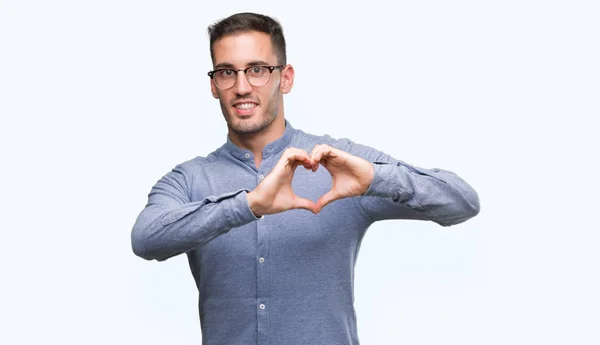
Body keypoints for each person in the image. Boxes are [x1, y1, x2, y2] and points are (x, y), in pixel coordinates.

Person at [131, 12, 480, 345]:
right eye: (226, 72)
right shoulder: (189, 179)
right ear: (213, 85)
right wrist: (249, 205)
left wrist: (376, 179)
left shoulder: (340, 164)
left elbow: (462, 203)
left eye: (257, 70)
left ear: (285, 78)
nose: (240, 86)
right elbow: (146, 239)